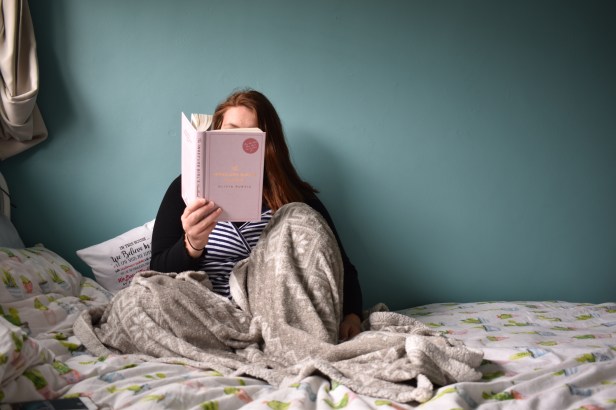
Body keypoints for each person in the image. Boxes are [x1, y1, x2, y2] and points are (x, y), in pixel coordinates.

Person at [150, 89, 363, 340]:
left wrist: (352, 315)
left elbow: (336, 263)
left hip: (273, 315)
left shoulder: (296, 199)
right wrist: (192, 245)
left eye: (250, 134)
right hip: (206, 312)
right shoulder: (185, 190)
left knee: (299, 214)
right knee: (137, 297)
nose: (237, 142)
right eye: (230, 131)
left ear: (267, 143)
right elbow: (158, 272)